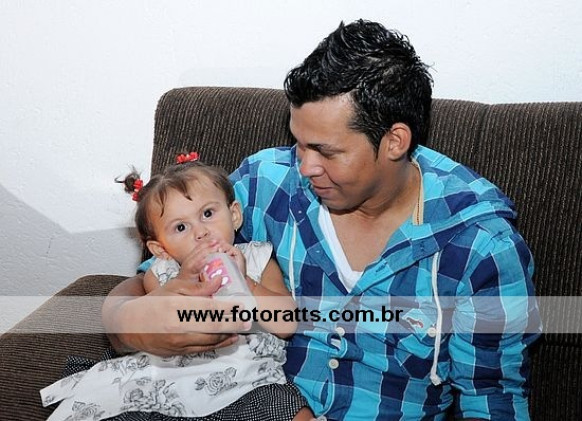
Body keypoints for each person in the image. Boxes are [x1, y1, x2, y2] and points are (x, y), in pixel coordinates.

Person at [103, 20, 541, 420]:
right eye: (299, 143)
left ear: (395, 141)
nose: (306, 166)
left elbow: (492, 399)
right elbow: (155, 273)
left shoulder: (480, 247)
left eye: (325, 151)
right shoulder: (265, 184)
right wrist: (129, 324)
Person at [41, 158, 314, 421]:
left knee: (290, 409)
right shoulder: (161, 274)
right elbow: (161, 321)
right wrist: (185, 279)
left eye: (208, 214)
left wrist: (246, 281)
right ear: (160, 249)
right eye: (181, 227)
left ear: (234, 215)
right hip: (173, 386)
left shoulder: (257, 259)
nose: (201, 232)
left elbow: (287, 324)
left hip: (247, 385)